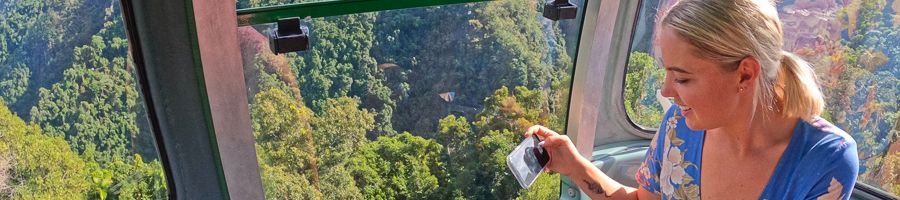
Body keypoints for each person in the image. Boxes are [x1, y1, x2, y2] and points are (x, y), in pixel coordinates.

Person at [525, 0, 859, 199]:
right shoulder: (679, 127)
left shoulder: (822, 160)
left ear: (744, 74)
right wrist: (574, 165)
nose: (668, 91)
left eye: (683, 77)